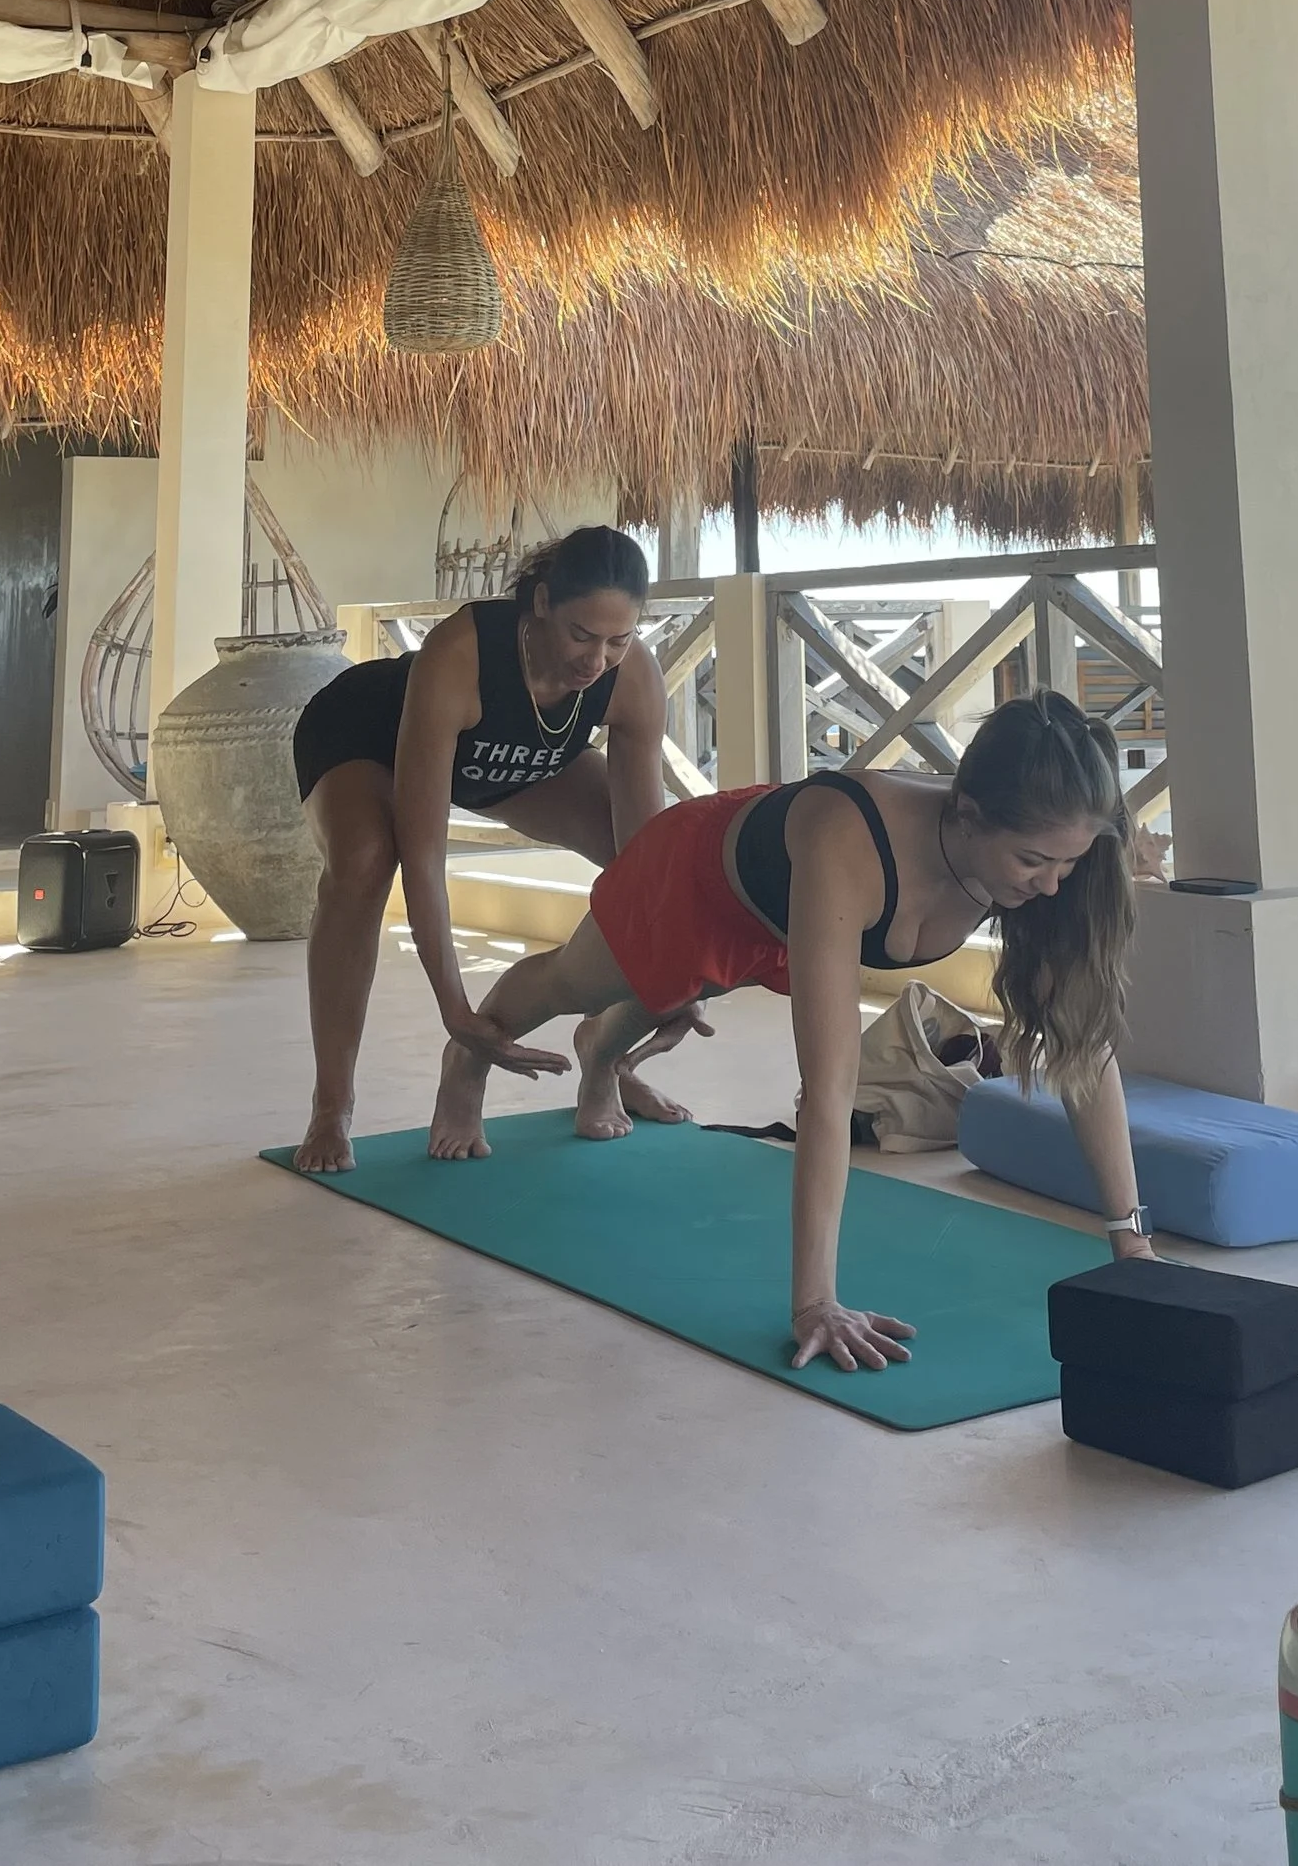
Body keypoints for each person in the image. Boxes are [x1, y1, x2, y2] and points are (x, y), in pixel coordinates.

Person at [437, 691, 1157, 1373]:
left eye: (1069, 861)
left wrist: (1130, 1236)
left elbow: (1085, 1044)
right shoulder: (854, 837)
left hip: (787, 914)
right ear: (967, 813)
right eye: (1033, 861)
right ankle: (467, 1056)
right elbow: (830, 1084)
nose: (1052, 884)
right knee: (583, 979)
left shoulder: (1048, 865)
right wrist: (816, 1303)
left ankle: (604, 1053)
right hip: (697, 876)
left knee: (692, 982)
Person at [290, 525, 693, 1172]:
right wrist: (456, 1009)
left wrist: (673, 976)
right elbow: (424, 860)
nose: (596, 661)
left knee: (646, 872)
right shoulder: (462, 651)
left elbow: (650, 867)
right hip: (364, 735)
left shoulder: (631, 678)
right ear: (539, 605)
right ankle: (331, 1105)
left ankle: (606, 1050)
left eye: (618, 640)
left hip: (508, 760)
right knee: (365, 863)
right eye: (581, 635)